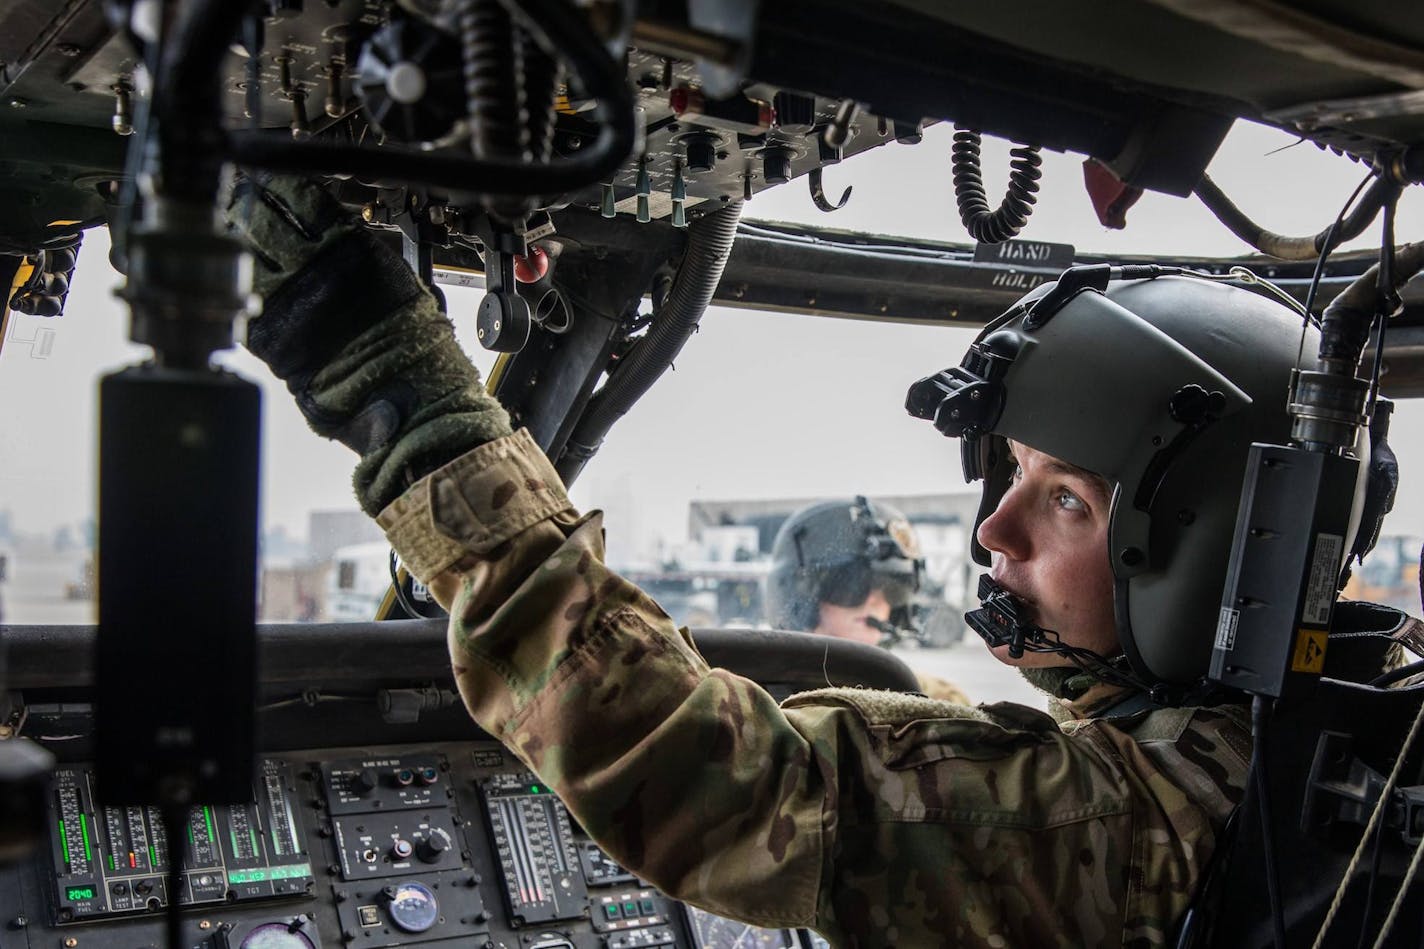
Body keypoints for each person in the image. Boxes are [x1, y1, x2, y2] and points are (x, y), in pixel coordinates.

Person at [226, 176, 1387, 945]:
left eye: (1068, 501)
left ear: (1207, 560)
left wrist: (409, 402)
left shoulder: (1139, 819)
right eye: (1015, 476)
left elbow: (709, 778)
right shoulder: (1349, 738)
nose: (997, 531)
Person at [765, 496, 971, 703]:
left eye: (892, 589)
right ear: (802, 594)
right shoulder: (759, 699)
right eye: (851, 586)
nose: (875, 600)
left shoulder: (934, 697)